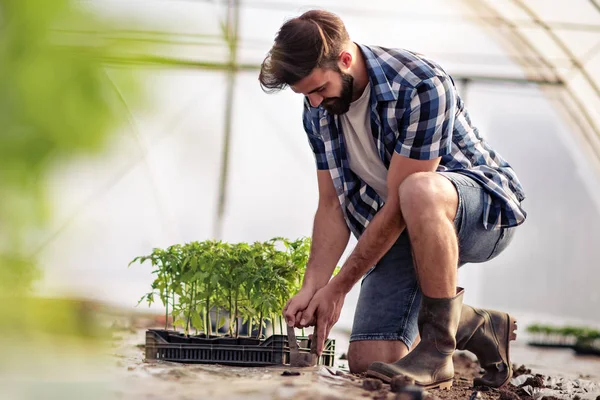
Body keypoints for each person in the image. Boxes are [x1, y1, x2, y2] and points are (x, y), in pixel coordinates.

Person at [259, 9, 526, 390]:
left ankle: (437, 351)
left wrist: (339, 289)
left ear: (345, 59)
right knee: (372, 361)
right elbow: (332, 205)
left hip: (482, 213)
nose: (315, 103)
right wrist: (314, 286)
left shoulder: (421, 84)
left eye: (319, 89)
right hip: (406, 224)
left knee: (417, 189)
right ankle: (475, 324)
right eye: (306, 95)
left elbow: (404, 203)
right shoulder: (317, 110)